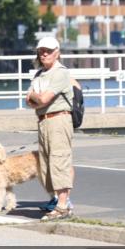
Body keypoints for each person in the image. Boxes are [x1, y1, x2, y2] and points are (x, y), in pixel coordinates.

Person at [26, 36, 75, 221]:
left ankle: (63, 206)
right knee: (46, 164)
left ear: (57, 52)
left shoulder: (60, 73)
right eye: (41, 51)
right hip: (43, 121)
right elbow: (28, 101)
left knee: (59, 160)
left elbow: (43, 99)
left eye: (48, 51)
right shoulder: (39, 74)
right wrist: (37, 98)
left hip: (58, 120)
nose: (44, 54)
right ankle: (58, 201)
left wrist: (36, 97)